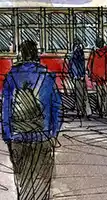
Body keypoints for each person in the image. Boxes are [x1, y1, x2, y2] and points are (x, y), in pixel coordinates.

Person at [2, 40, 63, 200]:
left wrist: (8, 135)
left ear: (20, 55)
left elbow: (6, 109)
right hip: (42, 137)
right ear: (36, 55)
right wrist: (53, 133)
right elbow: (57, 107)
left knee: (23, 185)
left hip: (18, 137)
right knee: (42, 186)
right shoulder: (47, 76)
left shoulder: (11, 76)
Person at [87, 37, 107, 118]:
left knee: (99, 93)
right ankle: (105, 110)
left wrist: (90, 73)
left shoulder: (94, 52)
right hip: (105, 75)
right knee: (105, 93)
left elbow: (89, 64)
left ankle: (100, 110)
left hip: (97, 75)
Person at [67, 38, 90, 119]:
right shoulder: (80, 53)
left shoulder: (75, 53)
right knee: (83, 94)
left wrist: (74, 75)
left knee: (79, 94)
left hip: (78, 76)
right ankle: (85, 111)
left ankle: (81, 111)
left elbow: (73, 66)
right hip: (80, 75)